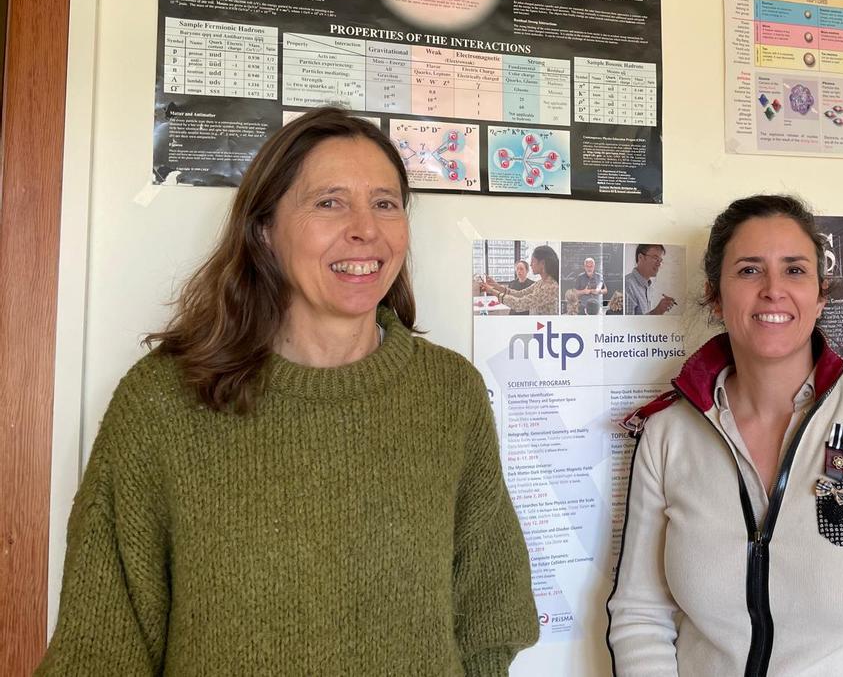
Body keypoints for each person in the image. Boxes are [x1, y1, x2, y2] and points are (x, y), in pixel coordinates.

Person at [39, 107, 538, 675]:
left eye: (385, 203)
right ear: (264, 231)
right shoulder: (164, 401)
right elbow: (101, 646)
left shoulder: (449, 394)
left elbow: (488, 617)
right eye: (329, 202)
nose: (366, 229)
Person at [607, 195, 843, 677]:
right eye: (749, 270)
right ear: (715, 297)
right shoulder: (667, 434)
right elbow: (639, 616)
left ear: (820, 296)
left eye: (795, 270)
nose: (773, 290)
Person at [484, 244, 560, 316]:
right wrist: (496, 286)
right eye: (517, 269)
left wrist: (492, 291)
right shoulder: (540, 283)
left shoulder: (551, 287)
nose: (531, 264)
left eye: (533, 261)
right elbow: (519, 294)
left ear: (542, 263)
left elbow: (519, 304)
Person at [624, 243, 676, 315]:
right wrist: (658, 311)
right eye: (655, 258)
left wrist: (659, 311)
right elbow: (627, 321)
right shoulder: (627, 285)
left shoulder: (648, 286)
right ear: (640, 257)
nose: (659, 264)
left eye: (660, 260)